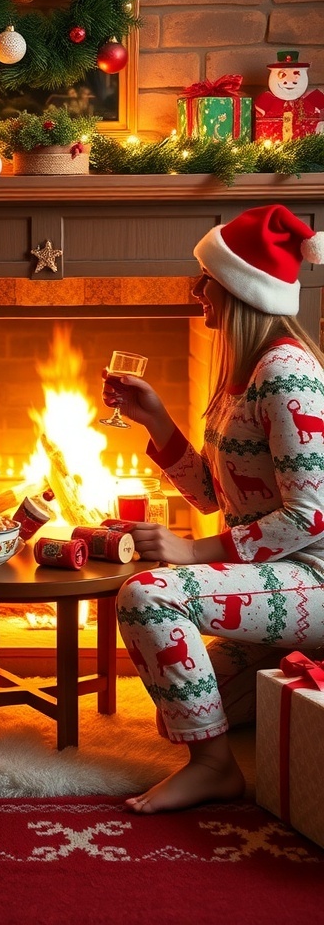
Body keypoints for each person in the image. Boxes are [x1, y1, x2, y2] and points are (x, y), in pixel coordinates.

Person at [101, 204, 324, 814]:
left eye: (207, 278)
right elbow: (212, 496)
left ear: (238, 289)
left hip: (315, 576)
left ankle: (215, 768)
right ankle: (283, 694)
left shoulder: (286, 372)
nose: (196, 290)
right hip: (277, 574)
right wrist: (157, 419)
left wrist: (196, 551)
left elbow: (312, 515)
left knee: (148, 596)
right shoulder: (242, 371)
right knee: (191, 699)